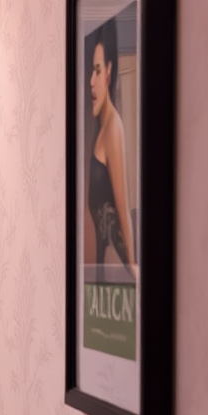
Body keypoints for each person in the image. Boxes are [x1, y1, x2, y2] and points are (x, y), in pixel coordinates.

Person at [87, 19, 136, 271]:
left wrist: (132, 265)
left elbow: (123, 209)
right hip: (105, 266)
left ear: (108, 71)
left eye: (97, 71)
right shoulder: (102, 129)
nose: (91, 82)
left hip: (116, 263)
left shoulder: (114, 127)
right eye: (90, 72)